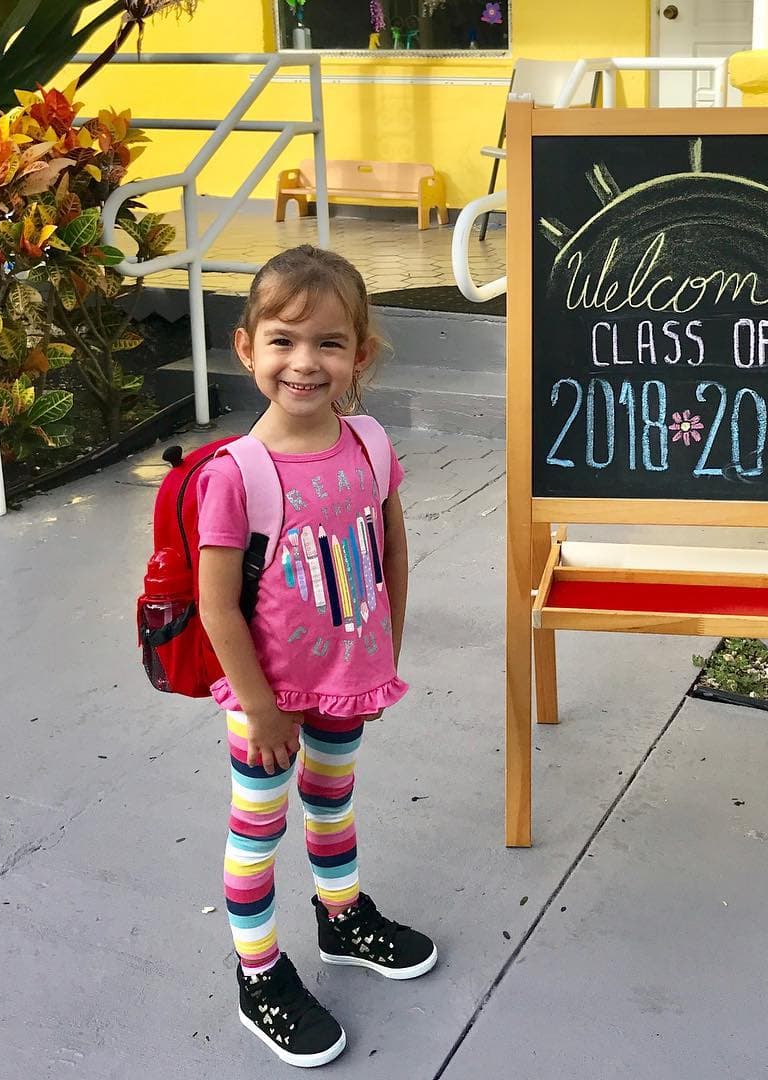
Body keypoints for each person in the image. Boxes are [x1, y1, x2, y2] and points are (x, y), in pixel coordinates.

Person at [196, 245, 436, 1068]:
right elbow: (215, 602)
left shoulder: (368, 445)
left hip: (347, 686)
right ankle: (257, 972)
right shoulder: (237, 474)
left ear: (360, 354)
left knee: (332, 803)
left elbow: (392, 553)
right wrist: (260, 709)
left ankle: (341, 917)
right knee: (256, 828)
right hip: (267, 696)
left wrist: (383, 656)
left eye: (330, 343)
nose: (306, 362)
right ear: (246, 347)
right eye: (284, 340)